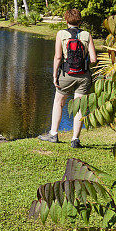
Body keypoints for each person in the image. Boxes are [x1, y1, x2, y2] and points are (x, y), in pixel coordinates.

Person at [38, 8, 97, 148]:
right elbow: (93, 59)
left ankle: (53, 134)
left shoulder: (61, 34)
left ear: (66, 20)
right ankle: (75, 139)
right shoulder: (87, 34)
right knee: (80, 106)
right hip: (83, 76)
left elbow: (58, 57)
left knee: (59, 102)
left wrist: (54, 75)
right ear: (80, 21)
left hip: (66, 75)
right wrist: (86, 65)